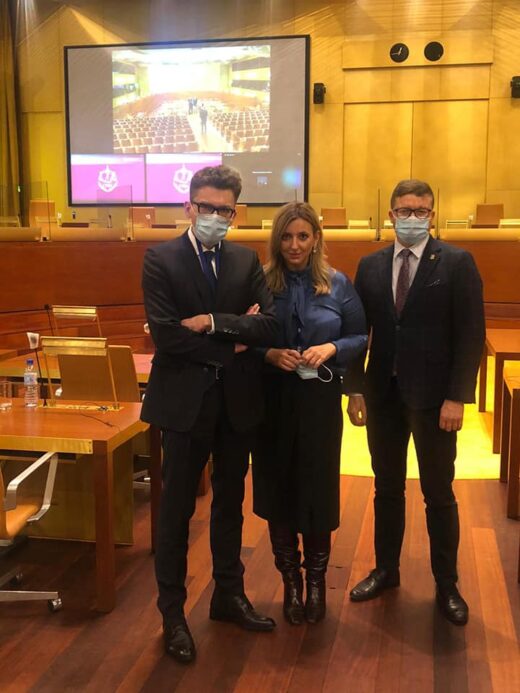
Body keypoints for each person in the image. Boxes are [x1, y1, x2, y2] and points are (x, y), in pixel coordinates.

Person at [141, 165, 279, 664]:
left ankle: (228, 594)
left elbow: (270, 325)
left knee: (229, 503)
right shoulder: (160, 259)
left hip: (236, 404)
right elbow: (167, 337)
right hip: (183, 405)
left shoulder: (245, 259)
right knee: (176, 511)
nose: (216, 216)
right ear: (189, 207)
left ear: (235, 213)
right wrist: (234, 341)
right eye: (207, 207)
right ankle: (172, 614)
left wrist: (213, 323)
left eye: (225, 210)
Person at [346, 179, 485, 626]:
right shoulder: (370, 265)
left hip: (435, 401)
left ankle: (447, 584)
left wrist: (457, 398)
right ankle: (386, 570)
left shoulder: (458, 262)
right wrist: (355, 388)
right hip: (383, 396)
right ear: (391, 215)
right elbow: (356, 332)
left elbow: (471, 335)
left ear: (432, 215)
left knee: (438, 493)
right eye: (404, 211)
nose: (412, 218)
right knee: (386, 487)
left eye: (421, 211)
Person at [252, 202, 367, 625]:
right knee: (277, 487)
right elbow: (242, 337)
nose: (295, 245)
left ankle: (316, 581)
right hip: (272, 401)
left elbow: (360, 336)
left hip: (320, 400)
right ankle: (291, 583)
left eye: (303, 236)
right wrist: (269, 354)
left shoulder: (338, 284)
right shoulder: (260, 283)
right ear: (276, 241)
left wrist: (332, 347)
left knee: (317, 489)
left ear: (316, 238)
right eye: (286, 237)